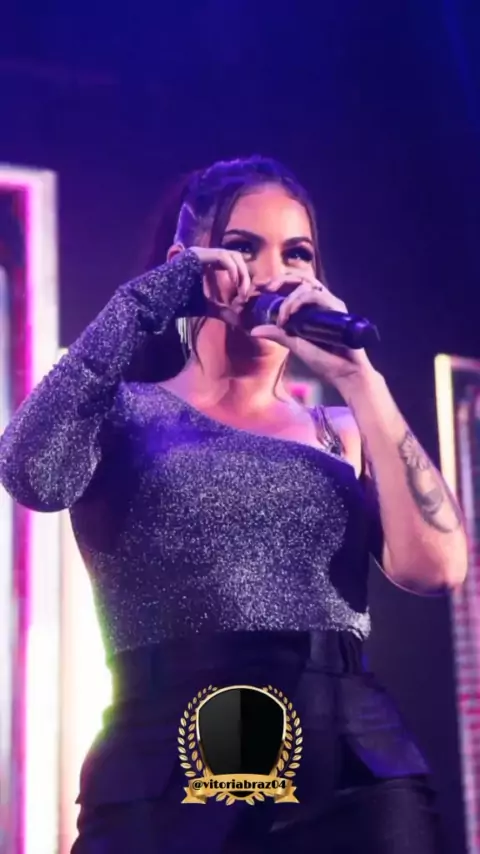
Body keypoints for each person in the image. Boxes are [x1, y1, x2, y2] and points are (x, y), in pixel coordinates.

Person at [0, 155, 468, 853]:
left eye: (297, 253)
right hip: (166, 775)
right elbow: (30, 474)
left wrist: (360, 378)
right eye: (244, 246)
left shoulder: (340, 429)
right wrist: (142, 303)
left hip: (354, 775)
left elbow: (438, 566)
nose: (273, 272)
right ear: (186, 264)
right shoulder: (121, 413)